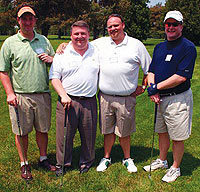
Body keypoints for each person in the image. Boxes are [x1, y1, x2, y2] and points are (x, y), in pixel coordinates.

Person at [57, 14, 151, 173]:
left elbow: (149, 69)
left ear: (123, 25)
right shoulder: (100, 43)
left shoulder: (136, 45)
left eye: (116, 25)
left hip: (125, 97)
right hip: (105, 97)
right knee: (107, 129)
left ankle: (127, 158)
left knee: (124, 131)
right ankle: (106, 158)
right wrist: (65, 44)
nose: (113, 29)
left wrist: (143, 87)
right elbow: (80, 41)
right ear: (107, 29)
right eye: (110, 26)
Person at [0, 4, 56, 181]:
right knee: (21, 131)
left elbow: (56, 63)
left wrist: (52, 59)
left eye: (30, 18)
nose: (27, 21)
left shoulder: (44, 40)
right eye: (23, 18)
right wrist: (10, 93)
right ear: (18, 21)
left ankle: (43, 158)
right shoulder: (10, 43)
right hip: (20, 96)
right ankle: (24, 163)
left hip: (43, 94)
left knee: (43, 129)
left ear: (35, 21)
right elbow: (3, 71)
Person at [143, 10, 197, 183]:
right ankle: (163, 160)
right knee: (162, 131)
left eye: (175, 24)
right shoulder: (159, 46)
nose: (171, 27)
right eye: (168, 24)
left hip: (178, 98)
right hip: (160, 98)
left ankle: (175, 167)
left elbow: (181, 76)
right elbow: (151, 71)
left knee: (177, 135)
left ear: (181, 26)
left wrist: (156, 87)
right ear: (164, 26)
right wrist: (153, 88)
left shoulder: (188, 47)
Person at [49, 20, 99, 175]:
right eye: (76, 34)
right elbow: (54, 77)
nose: (80, 37)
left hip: (89, 101)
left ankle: (86, 162)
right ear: (70, 36)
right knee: (64, 136)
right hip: (67, 101)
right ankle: (62, 164)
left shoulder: (97, 50)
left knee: (89, 136)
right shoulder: (62, 53)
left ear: (88, 35)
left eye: (83, 33)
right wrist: (63, 95)